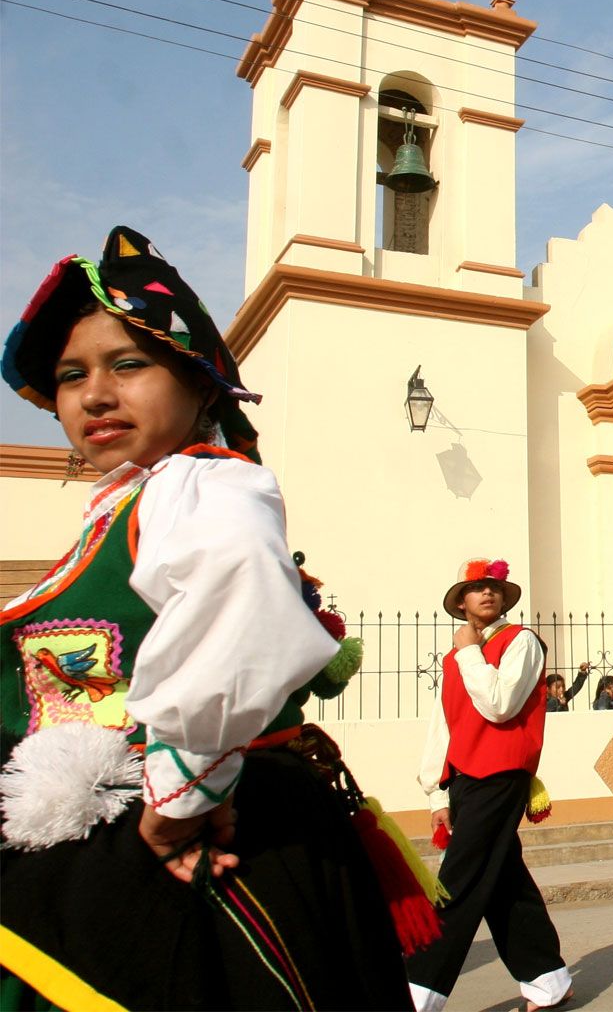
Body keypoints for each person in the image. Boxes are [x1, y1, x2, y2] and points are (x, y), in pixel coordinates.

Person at [0, 226, 411, 1009]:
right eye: (70, 375)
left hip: (209, 849)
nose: (94, 394)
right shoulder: (122, 508)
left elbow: (239, 612)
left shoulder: (198, 486)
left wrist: (179, 797)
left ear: (200, 384)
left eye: (129, 363)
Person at [409, 558, 570, 1012]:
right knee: (502, 880)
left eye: (494, 588)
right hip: (464, 777)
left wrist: (468, 652)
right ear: (461, 602)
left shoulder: (522, 642)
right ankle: (547, 978)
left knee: (459, 880)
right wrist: (436, 792)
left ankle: (418, 990)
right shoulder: (457, 658)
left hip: (500, 775)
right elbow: (444, 726)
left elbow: (499, 704)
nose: (487, 593)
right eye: (476, 588)